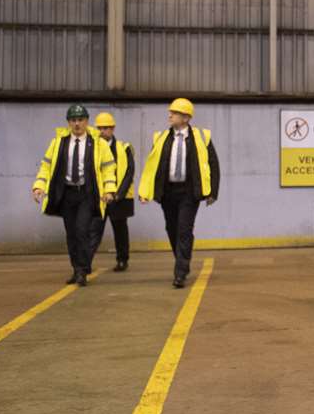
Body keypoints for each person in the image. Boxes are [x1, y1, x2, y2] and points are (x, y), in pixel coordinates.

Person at [138, 97, 220, 289]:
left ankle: (180, 272)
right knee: (172, 229)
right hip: (168, 193)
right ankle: (182, 259)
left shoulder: (201, 137)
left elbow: (213, 165)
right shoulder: (160, 138)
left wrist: (212, 192)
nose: (170, 115)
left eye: (173, 113)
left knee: (184, 229)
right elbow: (152, 167)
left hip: (189, 193)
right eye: (170, 112)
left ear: (185, 117)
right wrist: (145, 191)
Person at [31, 104, 117, 286]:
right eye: (73, 120)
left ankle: (82, 270)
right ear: (68, 122)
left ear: (87, 121)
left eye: (80, 120)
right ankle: (76, 268)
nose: (77, 124)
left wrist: (109, 190)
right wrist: (39, 186)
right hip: (67, 194)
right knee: (71, 234)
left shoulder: (98, 144)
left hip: (86, 194)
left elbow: (109, 168)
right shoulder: (58, 143)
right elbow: (46, 166)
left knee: (82, 231)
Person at [93, 111, 135, 272]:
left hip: (119, 198)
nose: (102, 131)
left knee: (120, 230)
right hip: (100, 197)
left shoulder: (124, 148)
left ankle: (122, 260)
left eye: (106, 128)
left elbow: (129, 172)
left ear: (113, 129)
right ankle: (86, 262)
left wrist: (119, 194)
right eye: (100, 128)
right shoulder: (93, 148)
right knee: (94, 230)